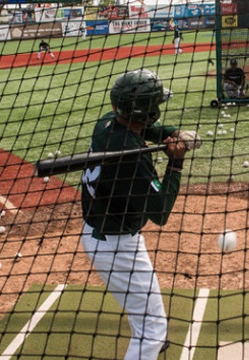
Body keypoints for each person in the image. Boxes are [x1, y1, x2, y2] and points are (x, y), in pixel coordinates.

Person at [81, 69, 201, 360]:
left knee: (148, 309)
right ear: (148, 111)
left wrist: (171, 132)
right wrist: (175, 163)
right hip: (116, 246)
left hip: (107, 234)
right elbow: (159, 212)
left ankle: (149, 342)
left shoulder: (106, 124)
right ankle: (148, 343)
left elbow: (145, 129)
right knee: (153, 328)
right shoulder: (133, 158)